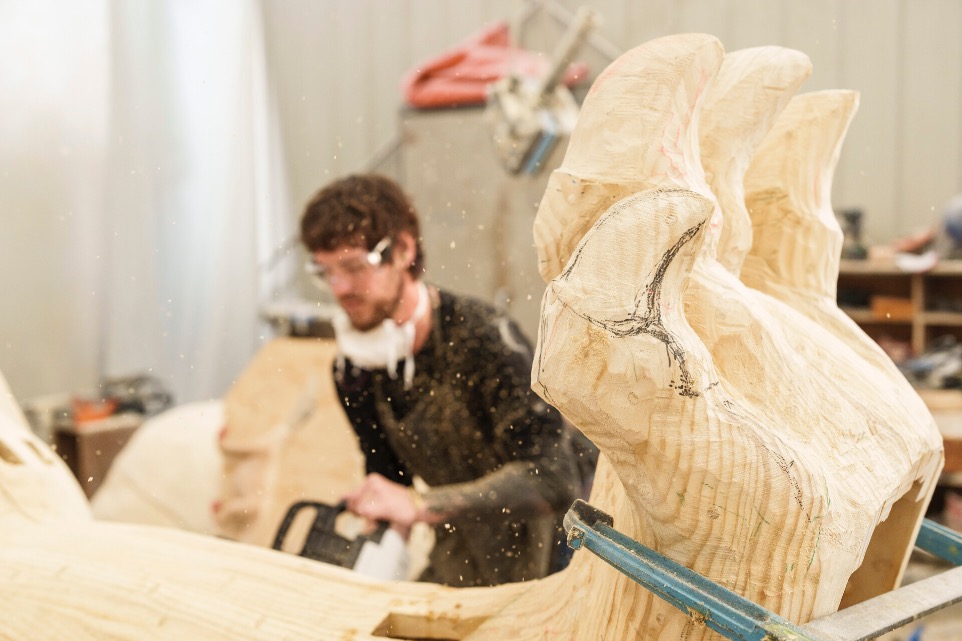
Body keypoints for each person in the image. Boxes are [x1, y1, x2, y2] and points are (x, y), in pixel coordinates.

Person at [299, 173, 585, 587]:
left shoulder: (483, 338)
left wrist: (421, 504)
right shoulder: (355, 370)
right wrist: (375, 552)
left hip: (558, 541)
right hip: (463, 532)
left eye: (353, 267)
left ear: (402, 249)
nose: (339, 288)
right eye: (325, 272)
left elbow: (553, 478)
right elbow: (389, 477)